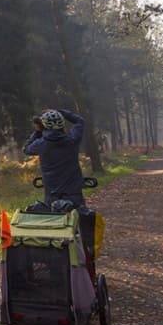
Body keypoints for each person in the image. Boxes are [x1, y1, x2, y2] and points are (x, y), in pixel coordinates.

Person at [24, 108, 97, 281]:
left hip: (52, 198)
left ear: (45, 127)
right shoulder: (71, 140)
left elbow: (26, 149)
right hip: (74, 197)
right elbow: (80, 121)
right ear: (62, 125)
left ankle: (57, 275)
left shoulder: (41, 144)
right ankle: (87, 274)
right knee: (81, 235)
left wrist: (37, 132)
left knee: (54, 236)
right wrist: (61, 112)